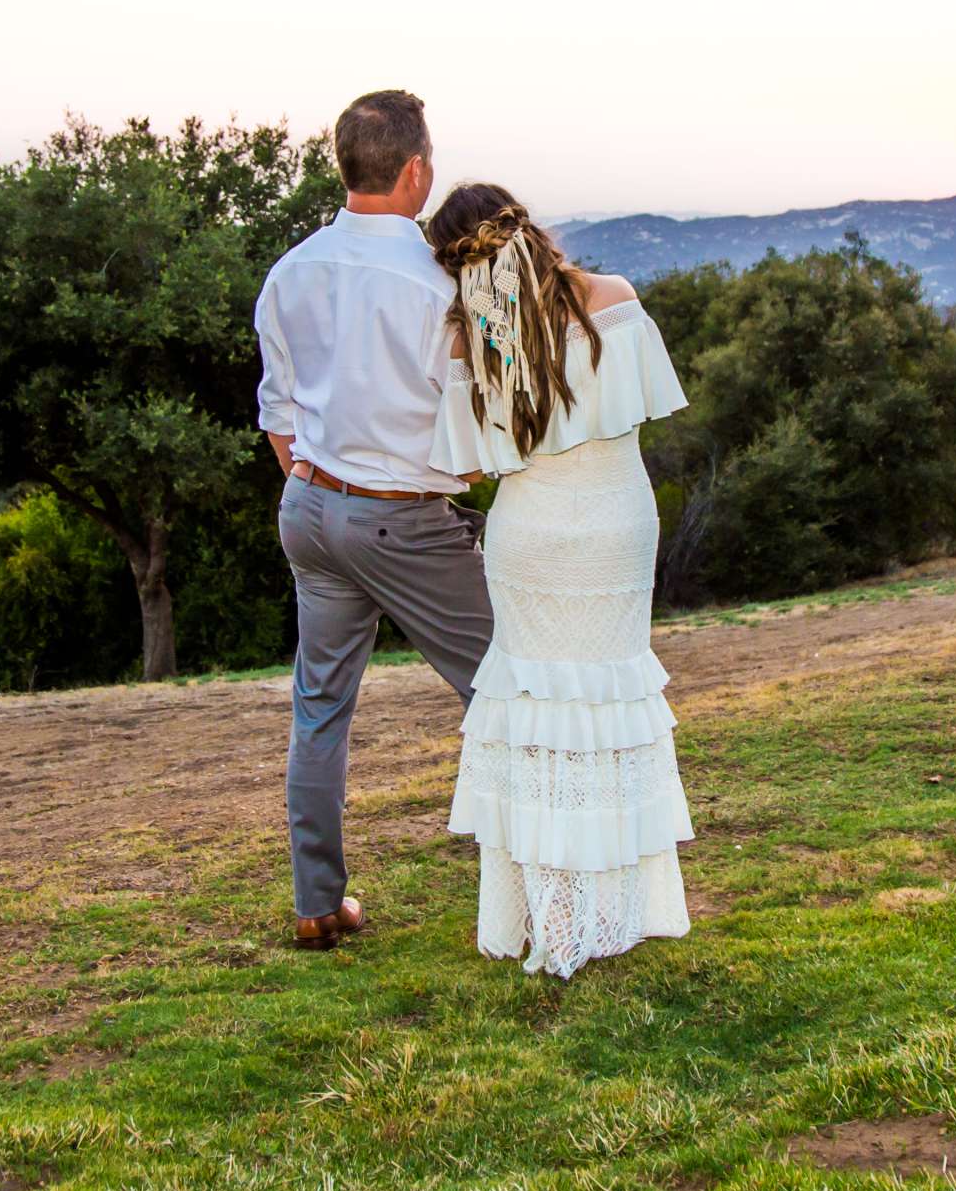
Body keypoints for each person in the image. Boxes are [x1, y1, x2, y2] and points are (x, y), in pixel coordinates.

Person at [422, 182, 695, 977]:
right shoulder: (613, 299)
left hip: (532, 537)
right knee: (608, 708)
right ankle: (609, 913)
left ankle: (557, 917)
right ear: (528, 226)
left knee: (540, 715)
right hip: (616, 528)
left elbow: (471, 466)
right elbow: (644, 405)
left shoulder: (473, 339)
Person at [254, 90, 494, 949]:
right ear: (417, 170)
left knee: (319, 709)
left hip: (308, 509)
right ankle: (545, 873)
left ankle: (318, 904)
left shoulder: (289, 272)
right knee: (509, 687)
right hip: (401, 520)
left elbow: (278, 417)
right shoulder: (435, 288)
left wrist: (321, 492)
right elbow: (470, 444)